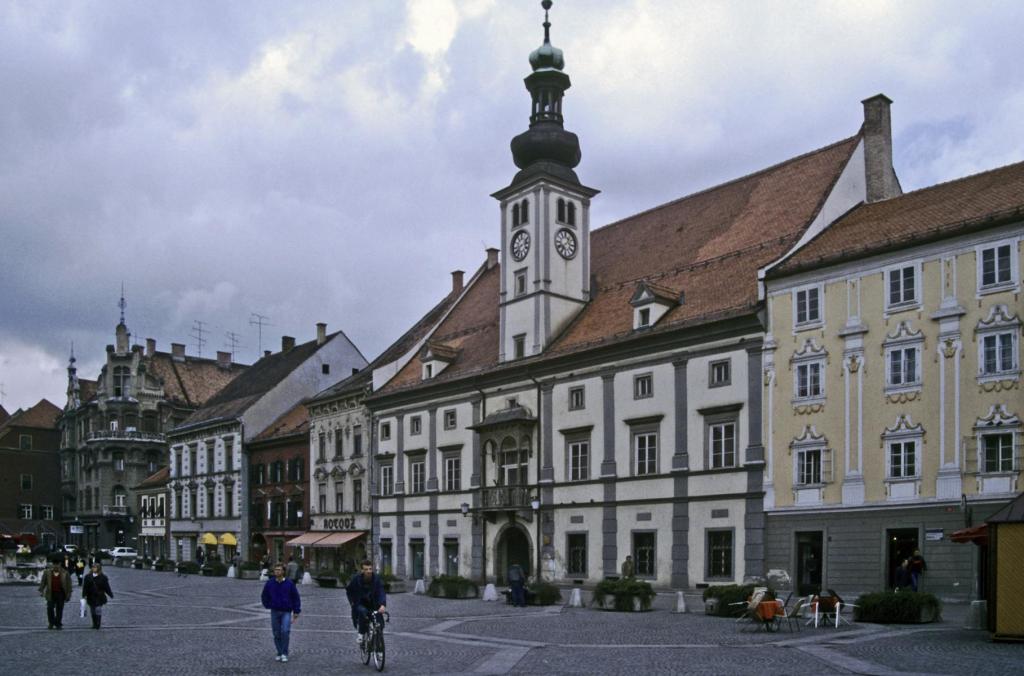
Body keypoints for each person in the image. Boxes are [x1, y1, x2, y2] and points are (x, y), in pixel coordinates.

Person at [261, 562, 301, 662]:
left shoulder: (289, 583)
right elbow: (264, 595)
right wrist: (268, 605)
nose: (277, 571)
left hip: (286, 611)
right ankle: (279, 652)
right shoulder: (270, 583)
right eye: (275, 570)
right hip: (274, 611)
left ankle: (284, 653)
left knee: (285, 631)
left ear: (283, 571)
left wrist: (296, 611)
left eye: (279, 570)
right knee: (276, 633)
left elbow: (295, 597)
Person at [346, 559, 387, 646]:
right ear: (362, 570)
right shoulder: (356, 579)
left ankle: (379, 649)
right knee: (362, 612)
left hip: (374, 604)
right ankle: (361, 634)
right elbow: (349, 591)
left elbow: (381, 592)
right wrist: (352, 603)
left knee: (380, 625)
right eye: (366, 569)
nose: (369, 571)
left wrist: (382, 604)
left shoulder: (376, 579)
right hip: (360, 604)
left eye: (370, 569)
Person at [38, 556, 72, 629]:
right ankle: (51, 622)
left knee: (59, 609)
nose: (56, 566)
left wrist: (69, 594)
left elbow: (69, 584)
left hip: (61, 593)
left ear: (60, 564)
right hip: (51, 593)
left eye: (57, 564)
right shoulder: (47, 572)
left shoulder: (65, 573)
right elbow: (43, 582)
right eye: (54, 564)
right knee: (50, 608)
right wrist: (41, 590)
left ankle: (58, 623)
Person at [82, 562, 114, 629]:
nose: (94, 568)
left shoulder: (103, 577)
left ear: (99, 568)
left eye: (95, 567)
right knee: (92, 610)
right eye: (93, 567)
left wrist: (110, 594)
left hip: (99, 596)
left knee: (98, 609)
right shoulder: (88, 577)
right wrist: (84, 595)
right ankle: (94, 623)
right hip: (90, 595)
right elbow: (85, 587)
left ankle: (98, 624)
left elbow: (106, 587)